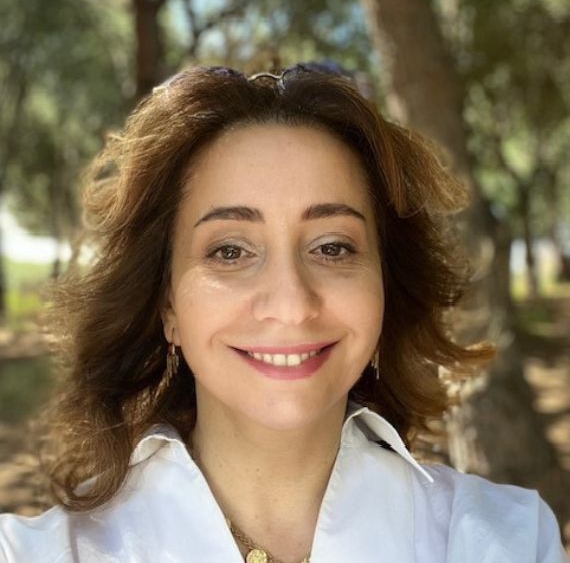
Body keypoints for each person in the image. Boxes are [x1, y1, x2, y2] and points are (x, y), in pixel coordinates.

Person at [0, 64, 567, 563]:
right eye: (230, 251)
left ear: (385, 288)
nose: (292, 303)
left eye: (332, 247)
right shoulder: (37, 554)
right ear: (166, 303)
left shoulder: (509, 543)